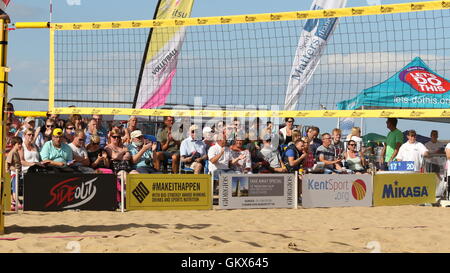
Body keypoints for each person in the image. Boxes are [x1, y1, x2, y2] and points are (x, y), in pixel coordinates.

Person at [6, 137, 23, 210]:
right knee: (14, 189)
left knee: (14, 188)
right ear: (14, 144)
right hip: (13, 173)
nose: (20, 145)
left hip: (17, 173)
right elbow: (7, 163)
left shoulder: (16, 152)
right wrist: (8, 173)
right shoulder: (12, 152)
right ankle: (18, 203)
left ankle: (13, 202)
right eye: (18, 144)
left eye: (21, 143)